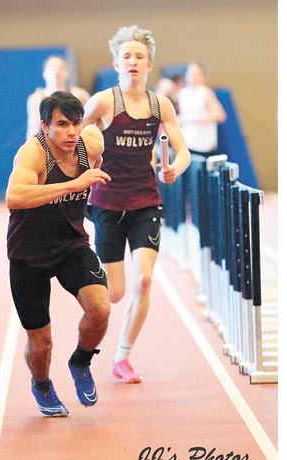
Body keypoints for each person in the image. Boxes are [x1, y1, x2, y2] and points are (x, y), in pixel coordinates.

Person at [83, 25, 191, 383]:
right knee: (114, 294)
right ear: (116, 63)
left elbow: (183, 149)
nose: (133, 62)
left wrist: (175, 166)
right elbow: (69, 138)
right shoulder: (102, 102)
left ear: (150, 65)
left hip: (146, 200)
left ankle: (123, 357)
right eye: (126, 57)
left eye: (139, 57)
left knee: (144, 279)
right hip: (107, 203)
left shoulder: (160, 105)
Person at [6, 91, 112, 417]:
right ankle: (41, 384)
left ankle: (81, 361)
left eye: (75, 124)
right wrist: (72, 185)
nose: (70, 132)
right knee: (41, 344)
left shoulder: (90, 144)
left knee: (101, 308)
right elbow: (14, 196)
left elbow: (107, 158)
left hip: (71, 245)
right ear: (44, 126)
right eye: (61, 124)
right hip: (29, 254)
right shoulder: (33, 153)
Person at [26, 55, 91, 139]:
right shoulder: (36, 99)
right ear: (44, 73)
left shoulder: (80, 95)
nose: (56, 71)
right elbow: (33, 129)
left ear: (67, 73)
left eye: (61, 68)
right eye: (52, 68)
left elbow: (90, 123)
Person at [177, 62, 227, 156]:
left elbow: (220, 115)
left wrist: (194, 119)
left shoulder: (205, 92)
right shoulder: (182, 93)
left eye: (197, 74)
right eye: (191, 74)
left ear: (202, 77)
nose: (193, 77)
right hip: (187, 144)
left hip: (203, 145)